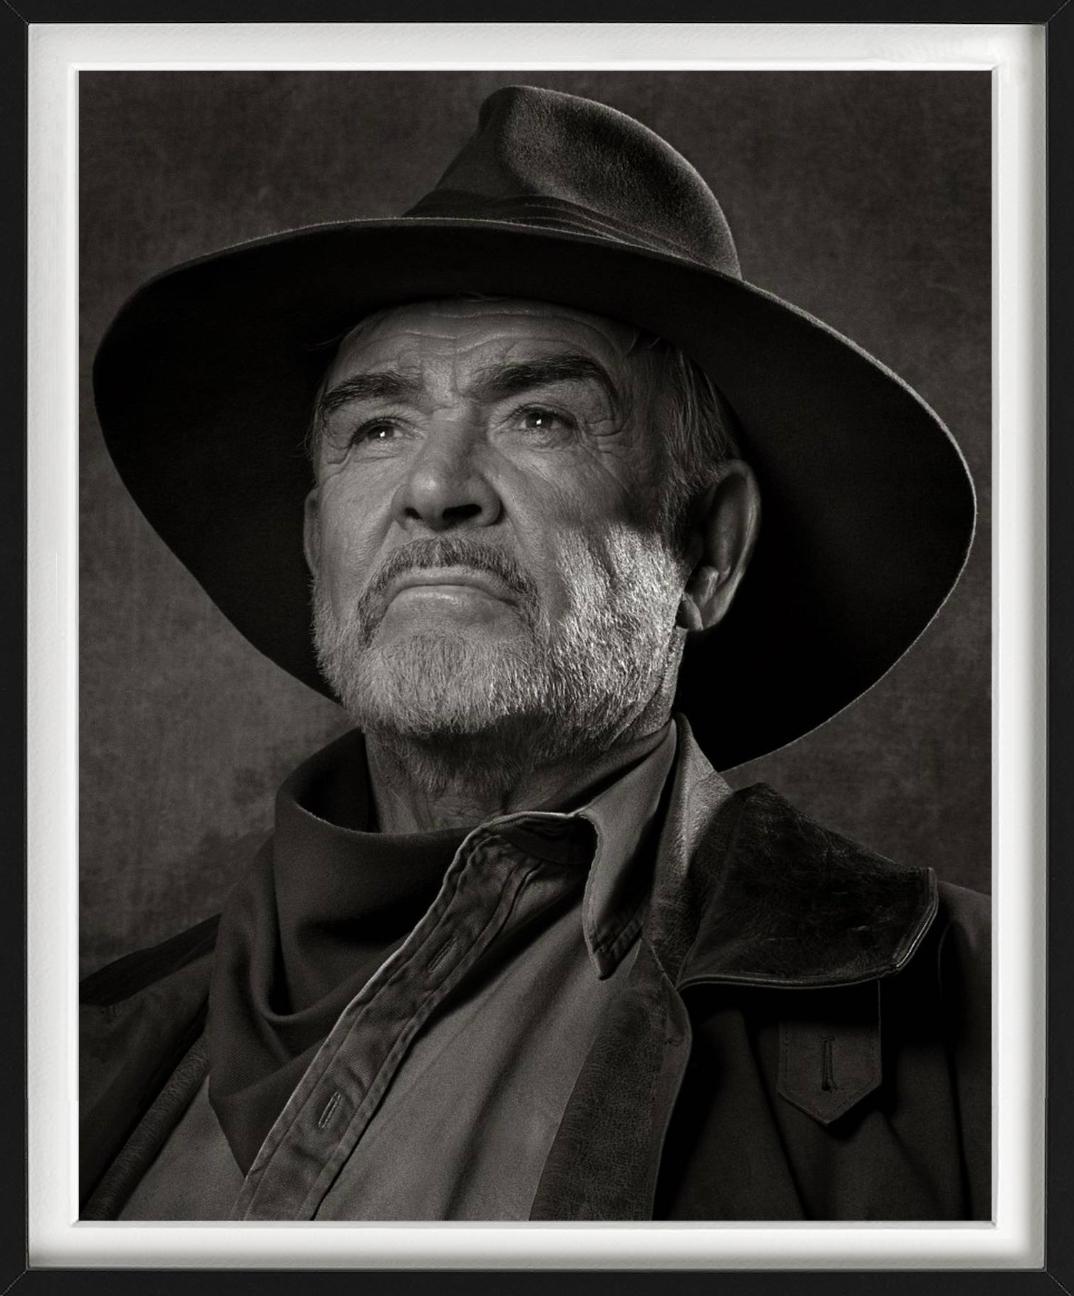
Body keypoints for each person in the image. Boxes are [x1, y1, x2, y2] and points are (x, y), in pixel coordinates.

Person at [81, 84, 989, 1222]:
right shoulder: (81, 1061)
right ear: (321, 543)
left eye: (541, 417)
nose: (434, 487)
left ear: (708, 550)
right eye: (378, 426)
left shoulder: (989, 1021)